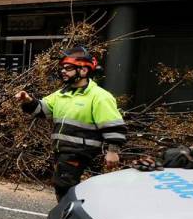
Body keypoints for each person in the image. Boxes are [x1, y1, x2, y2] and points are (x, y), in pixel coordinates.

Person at [16, 46, 126, 200]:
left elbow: (113, 125)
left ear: (84, 70)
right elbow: (42, 110)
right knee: (70, 190)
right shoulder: (62, 94)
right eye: (62, 68)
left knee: (64, 187)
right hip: (63, 151)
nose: (63, 71)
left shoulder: (99, 96)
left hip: (83, 153)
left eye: (68, 68)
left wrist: (113, 151)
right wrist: (28, 100)